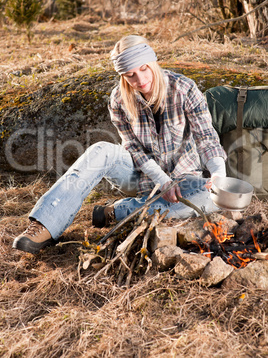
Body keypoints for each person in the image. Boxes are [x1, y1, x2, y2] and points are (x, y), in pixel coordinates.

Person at [13, 35, 226, 254]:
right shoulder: (118, 99)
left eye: (144, 69)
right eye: (130, 75)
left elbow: (206, 137)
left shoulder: (185, 89)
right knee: (101, 150)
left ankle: (117, 211)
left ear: (152, 62)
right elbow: (132, 147)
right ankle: (45, 224)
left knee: (215, 200)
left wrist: (218, 172)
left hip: (183, 180)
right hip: (139, 175)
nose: (141, 80)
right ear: (122, 75)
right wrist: (161, 181)